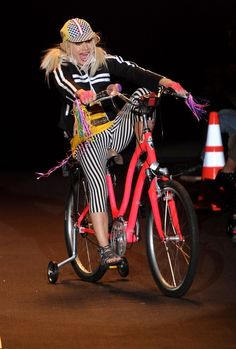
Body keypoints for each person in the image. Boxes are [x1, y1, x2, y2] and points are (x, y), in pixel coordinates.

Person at [40, 17, 188, 266]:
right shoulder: (60, 65)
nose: (84, 48)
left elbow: (135, 71)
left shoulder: (104, 60)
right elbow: (65, 84)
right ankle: (106, 249)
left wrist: (168, 83)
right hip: (86, 136)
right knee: (97, 183)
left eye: (88, 41)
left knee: (143, 96)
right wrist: (80, 93)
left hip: (112, 131)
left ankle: (146, 153)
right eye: (77, 43)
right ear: (67, 45)